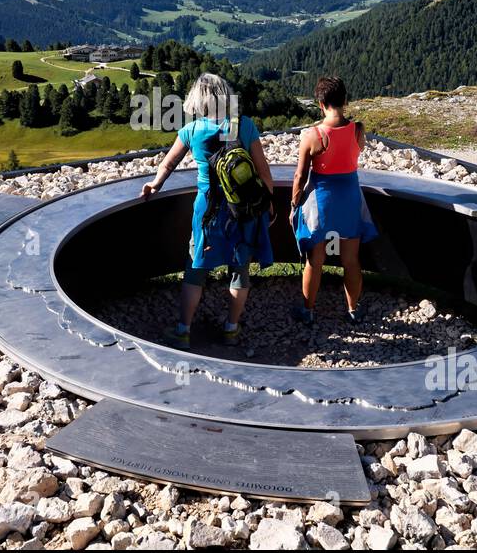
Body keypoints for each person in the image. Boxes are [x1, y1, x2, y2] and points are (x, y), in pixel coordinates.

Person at [140, 73, 275, 347]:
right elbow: (263, 171)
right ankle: (231, 329)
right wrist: (267, 203)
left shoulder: (191, 131)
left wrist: (154, 185)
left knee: (195, 268)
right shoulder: (244, 125)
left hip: (208, 209)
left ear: (198, 100)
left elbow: (168, 164)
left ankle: (183, 330)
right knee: (240, 270)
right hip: (243, 208)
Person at [290, 76, 377, 324]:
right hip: (350, 196)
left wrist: (295, 204)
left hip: (321, 199)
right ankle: (352, 309)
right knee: (350, 260)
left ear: (320, 103)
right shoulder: (358, 130)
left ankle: (308, 310)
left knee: (315, 260)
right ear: (345, 100)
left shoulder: (312, 135)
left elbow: (300, 175)